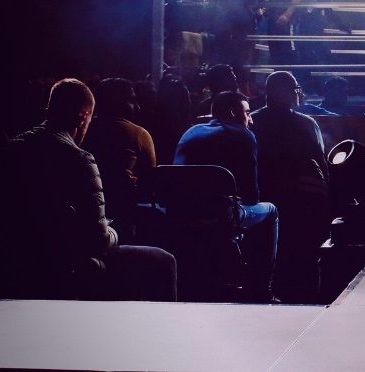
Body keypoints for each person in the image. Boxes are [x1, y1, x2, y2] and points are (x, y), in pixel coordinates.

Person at [7, 79, 176, 302]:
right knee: (163, 260)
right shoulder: (79, 158)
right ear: (83, 117)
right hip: (69, 266)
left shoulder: (14, 147)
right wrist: (113, 232)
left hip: (17, 262)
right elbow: (98, 240)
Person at [174, 91, 279, 302]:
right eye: (247, 113)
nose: (251, 119)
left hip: (180, 213)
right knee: (270, 211)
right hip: (222, 216)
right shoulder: (243, 135)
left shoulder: (191, 131)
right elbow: (251, 197)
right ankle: (261, 288)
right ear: (233, 112)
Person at [250, 71, 329, 302]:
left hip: (261, 199)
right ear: (280, 92)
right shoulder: (306, 124)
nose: (297, 93)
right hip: (301, 204)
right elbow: (320, 166)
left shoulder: (252, 121)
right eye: (293, 88)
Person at [84, 78, 157, 235]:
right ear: (117, 102)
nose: (137, 106)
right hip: (123, 214)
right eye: (132, 100)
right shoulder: (138, 134)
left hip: (83, 211)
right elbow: (151, 180)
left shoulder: (83, 131)